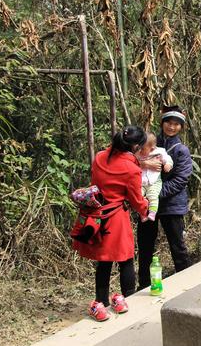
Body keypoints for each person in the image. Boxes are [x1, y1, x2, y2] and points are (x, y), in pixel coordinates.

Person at [72, 126, 149, 321]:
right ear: (136, 146)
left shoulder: (99, 157)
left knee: (104, 260)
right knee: (125, 259)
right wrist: (145, 208)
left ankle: (101, 303)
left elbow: (95, 183)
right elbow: (136, 199)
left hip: (97, 216)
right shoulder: (131, 169)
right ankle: (129, 298)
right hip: (117, 218)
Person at [137, 105, 192, 289]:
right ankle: (143, 286)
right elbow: (130, 159)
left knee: (177, 247)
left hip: (171, 205)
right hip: (146, 203)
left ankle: (186, 285)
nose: (172, 126)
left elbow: (181, 179)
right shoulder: (149, 143)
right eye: (168, 122)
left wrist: (155, 194)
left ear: (181, 127)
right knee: (145, 247)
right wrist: (145, 161)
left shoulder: (181, 150)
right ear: (162, 123)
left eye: (177, 124)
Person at [136, 132, 173, 222]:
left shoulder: (160, 151)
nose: (140, 150)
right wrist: (143, 163)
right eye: (140, 148)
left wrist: (168, 164)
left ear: (152, 148)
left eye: (143, 149)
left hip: (154, 181)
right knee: (138, 197)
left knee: (153, 196)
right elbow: (131, 160)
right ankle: (142, 214)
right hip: (141, 181)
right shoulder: (138, 153)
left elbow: (167, 158)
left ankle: (152, 213)